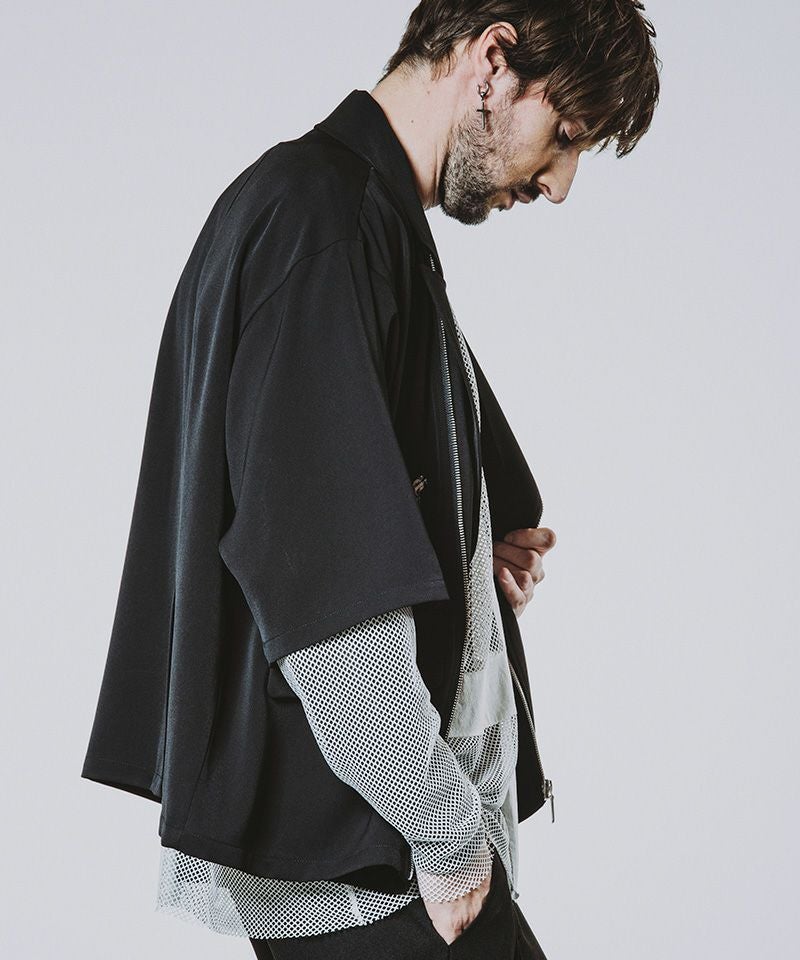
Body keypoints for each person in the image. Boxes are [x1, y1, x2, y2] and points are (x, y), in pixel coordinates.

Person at [81, 2, 660, 958]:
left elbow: (311, 503)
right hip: (386, 868)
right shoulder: (326, 227)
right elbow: (326, 607)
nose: (559, 184)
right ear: (492, 59)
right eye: (563, 134)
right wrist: (450, 843)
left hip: (377, 859)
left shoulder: (348, 217)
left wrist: (464, 563)